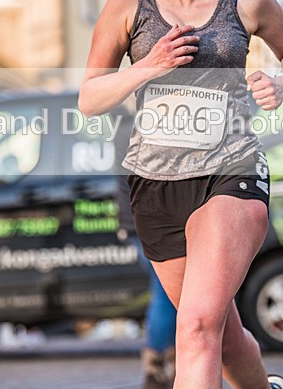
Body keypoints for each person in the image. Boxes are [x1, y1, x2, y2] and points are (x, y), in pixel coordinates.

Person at [79, 0, 283, 388]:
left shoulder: (246, 2)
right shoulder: (127, 5)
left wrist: (282, 82)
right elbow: (90, 99)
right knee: (223, 335)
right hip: (156, 188)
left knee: (196, 325)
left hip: (231, 173)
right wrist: (149, 65)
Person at [113, 107, 177, 389]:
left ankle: (167, 366)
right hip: (152, 225)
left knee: (169, 296)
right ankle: (158, 369)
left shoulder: (121, 127)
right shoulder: (143, 127)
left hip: (135, 225)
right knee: (167, 296)